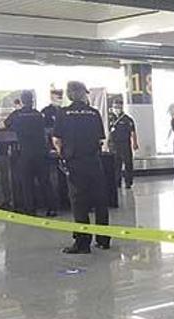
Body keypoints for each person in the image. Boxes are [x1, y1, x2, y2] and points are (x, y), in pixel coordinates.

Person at [52, 81, 110, 254]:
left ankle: (82, 243)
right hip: (94, 162)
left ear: (69, 94)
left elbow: (57, 140)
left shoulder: (63, 113)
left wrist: (62, 155)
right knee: (100, 201)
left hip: (75, 163)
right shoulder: (94, 113)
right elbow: (101, 140)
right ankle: (103, 239)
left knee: (79, 203)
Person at [3, 91, 57, 217]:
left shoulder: (17, 115)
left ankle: (30, 210)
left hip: (25, 152)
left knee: (27, 182)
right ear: (32, 101)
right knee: (45, 181)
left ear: (21, 101)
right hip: (41, 152)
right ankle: (52, 208)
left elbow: (4, 125)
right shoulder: (39, 115)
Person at [109, 99, 139, 189]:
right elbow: (108, 132)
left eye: (118, 107)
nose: (117, 109)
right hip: (114, 145)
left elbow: (133, 132)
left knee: (128, 163)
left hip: (125, 144)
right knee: (116, 164)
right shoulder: (111, 119)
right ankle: (116, 182)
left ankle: (128, 182)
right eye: (115, 107)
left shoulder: (127, 119)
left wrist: (135, 143)